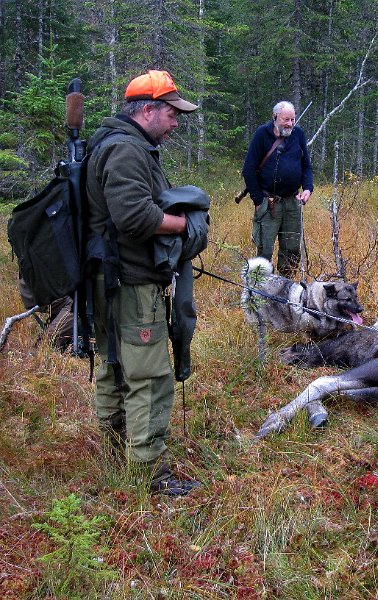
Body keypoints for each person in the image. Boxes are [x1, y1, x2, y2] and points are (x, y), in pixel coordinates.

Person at [84, 70, 201, 496]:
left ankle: (117, 455)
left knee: (114, 366)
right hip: (129, 284)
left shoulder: (111, 143)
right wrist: (183, 226)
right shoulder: (126, 151)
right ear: (147, 109)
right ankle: (149, 476)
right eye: (171, 113)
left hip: (108, 280)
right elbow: (133, 216)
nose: (175, 123)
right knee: (149, 377)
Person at [241, 101, 313, 277]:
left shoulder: (298, 134)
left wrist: (308, 188)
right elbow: (248, 169)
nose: (290, 123)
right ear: (275, 117)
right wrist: (258, 200)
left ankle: (285, 288)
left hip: (292, 202)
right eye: (285, 119)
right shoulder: (262, 134)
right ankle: (259, 292)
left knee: (292, 249)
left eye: (292, 119)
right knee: (264, 251)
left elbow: (306, 166)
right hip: (269, 202)